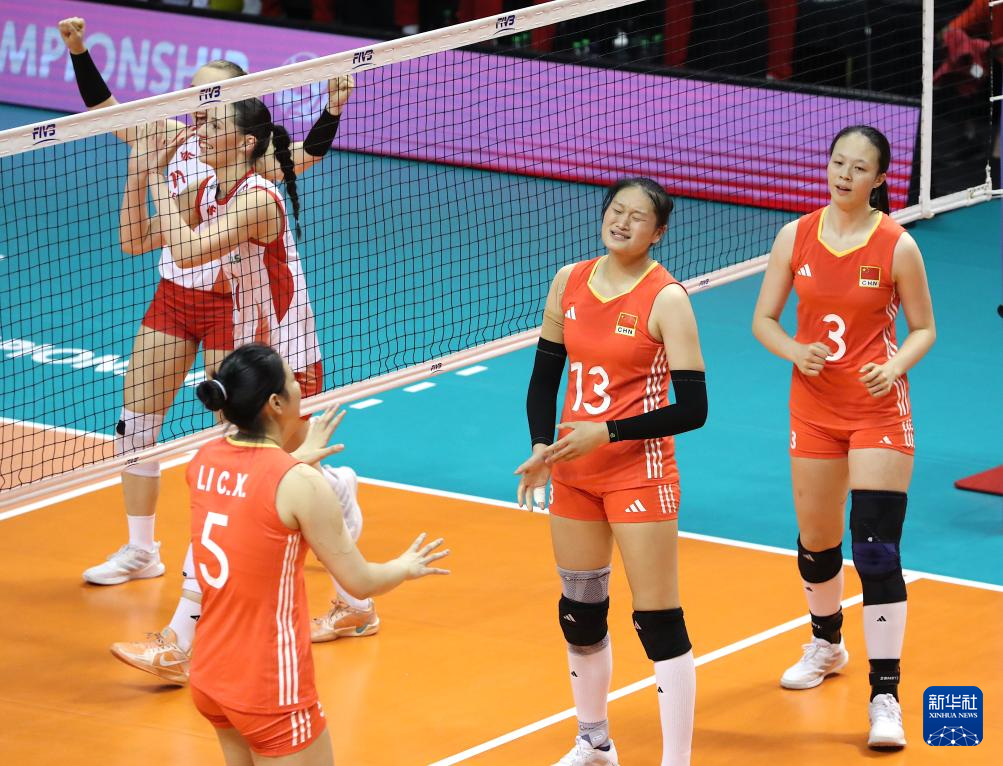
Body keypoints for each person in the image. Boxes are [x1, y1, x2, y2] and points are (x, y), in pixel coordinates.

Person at [57, 17, 352, 589]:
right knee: (135, 422)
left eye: (210, 95)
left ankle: (319, 496)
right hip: (174, 297)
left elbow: (306, 156)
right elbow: (106, 111)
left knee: (240, 440)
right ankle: (141, 550)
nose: (197, 102)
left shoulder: (243, 159)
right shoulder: (170, 134)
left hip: (230, 305)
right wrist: (79, 51)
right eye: (194, 92)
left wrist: (332, 111)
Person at [751, 125, 936, 749]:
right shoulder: (795, 236)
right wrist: (793, 350)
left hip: (877, 410)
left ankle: (886, 696)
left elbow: (923, 328)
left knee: (876, 549)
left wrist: (895, 365)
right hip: (813, 409)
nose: (844, 175)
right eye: (837, 163)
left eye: (859, 168)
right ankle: (827, 644)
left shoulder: (897, 245)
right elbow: (764, 320)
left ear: (880, 179)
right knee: (817, 543)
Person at [515, 178, 708, 766]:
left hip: (639, 474)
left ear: (659, 233)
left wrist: (610, 432)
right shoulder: (568, 281)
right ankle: (594, 741)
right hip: (575, 475)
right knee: (579, 613)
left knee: (657, 621)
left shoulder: (666, 298)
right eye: (615, 211)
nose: (621, 222)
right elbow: (544, 378)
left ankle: (676, 760)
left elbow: (694, 409)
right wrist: (542, 446)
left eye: (637, 217)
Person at [187, 343, 449, 765]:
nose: (300, 385)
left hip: (210, 672)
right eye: (293, 380)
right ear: (276, 403)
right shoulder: (303, 485)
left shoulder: (203, 461)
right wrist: (405, 566)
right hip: (269, 684)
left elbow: (254, 484)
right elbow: (360, 582)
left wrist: (296, 461)